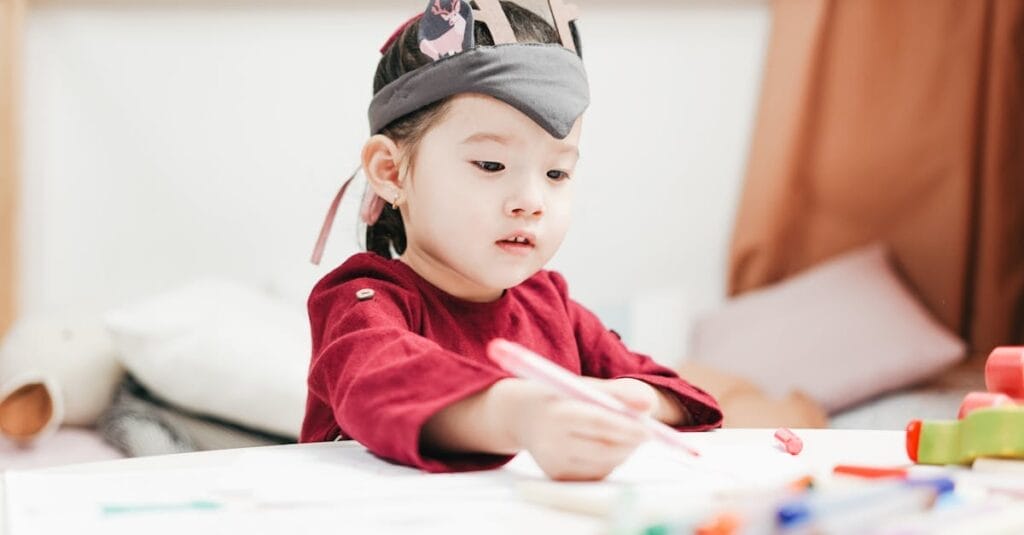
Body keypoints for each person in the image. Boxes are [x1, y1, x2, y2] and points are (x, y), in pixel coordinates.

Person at [301, 0, 722, 481]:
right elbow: (378, 382)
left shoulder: (550, 305)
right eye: (491, 165)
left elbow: (684, 397)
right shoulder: (362, 299)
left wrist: (627, 400)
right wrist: (522, 415)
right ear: (390, 170)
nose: (531, 201)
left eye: (556, 172)